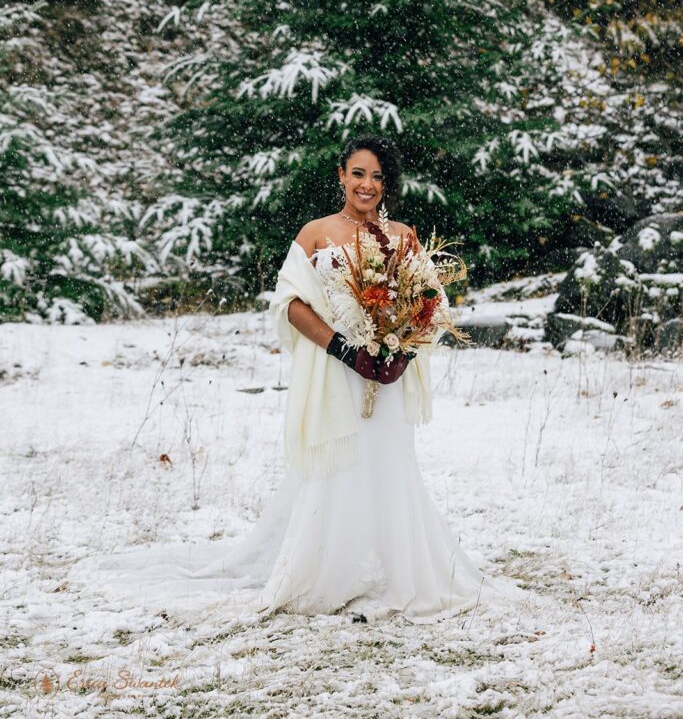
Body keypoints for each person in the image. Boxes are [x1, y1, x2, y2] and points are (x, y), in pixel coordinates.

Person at [68, 133, 523, 622]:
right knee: (339, 464)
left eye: (376, 176)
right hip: (337, 371)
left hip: (384, 377)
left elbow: (428, 304)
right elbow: (289, 305)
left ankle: (396, 569)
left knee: (389, 462)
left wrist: (400, 356)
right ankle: (331, 569)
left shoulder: (404, 235)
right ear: (341, 176)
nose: (366, 185)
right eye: (358, 174)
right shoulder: (317, 233)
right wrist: (345, 349)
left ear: (386, 183)